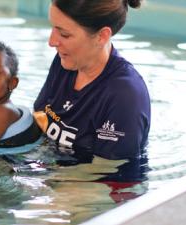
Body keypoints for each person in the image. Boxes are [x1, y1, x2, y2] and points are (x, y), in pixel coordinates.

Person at [33, 0, 151, 161]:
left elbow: (111, 177)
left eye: (64, 34)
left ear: (102, 36)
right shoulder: (66, 61)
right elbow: (38, 121)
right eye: (53, 28)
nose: (51, 41)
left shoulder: (124, 95)